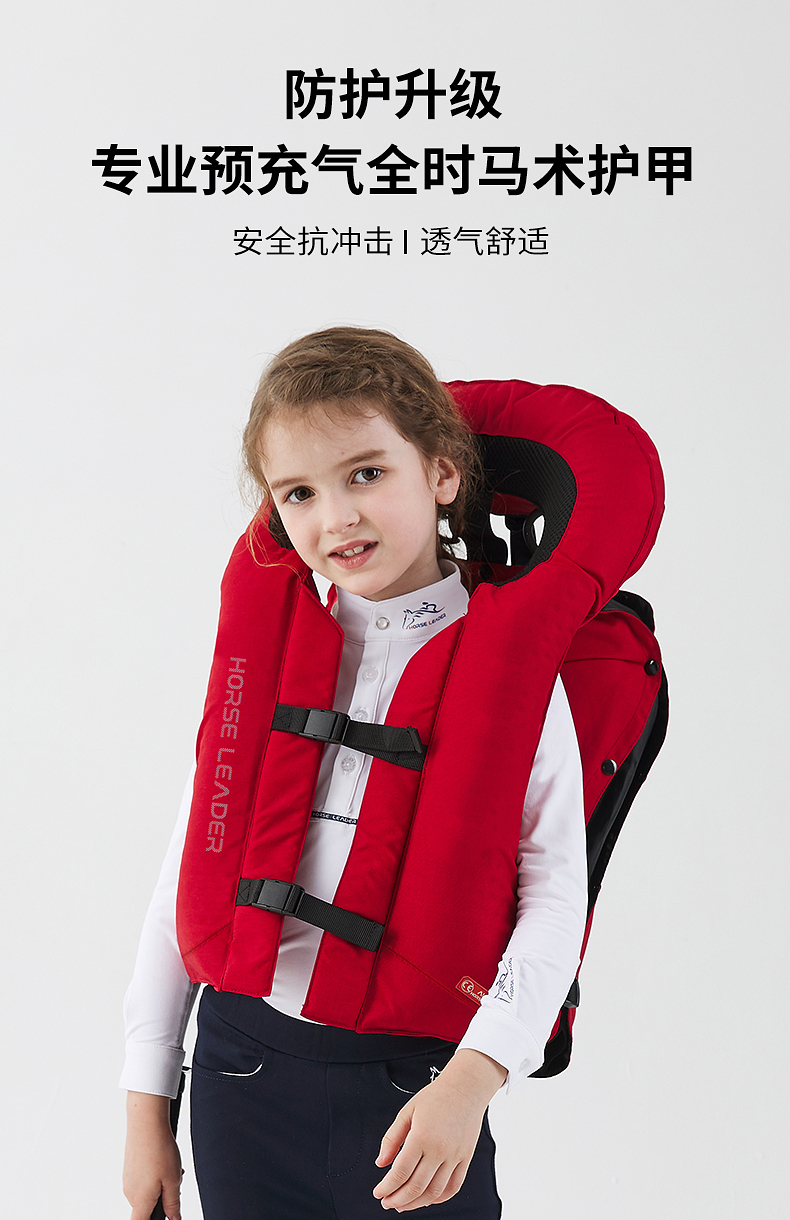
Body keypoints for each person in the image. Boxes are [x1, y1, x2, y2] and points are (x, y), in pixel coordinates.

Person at [121, 327, 589, 1219]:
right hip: (238, 1076)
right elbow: (185, 877)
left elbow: (556, 900)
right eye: (299, 492)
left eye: (366, 474)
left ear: (442, 473)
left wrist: (473, 1080)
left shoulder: (515, 673)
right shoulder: (270, 658)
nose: (335, 517)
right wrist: (148, 1104)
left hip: (419, 1089)